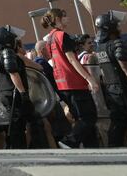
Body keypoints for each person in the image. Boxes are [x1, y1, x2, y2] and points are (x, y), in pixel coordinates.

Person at [40, 8, 99, 147]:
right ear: (58, 19)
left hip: (63, 84)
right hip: (74, 82)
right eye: (65, 16)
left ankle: (92, 149)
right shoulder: (62, 36)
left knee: (81, 118)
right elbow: (72, 60)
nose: (68, 18)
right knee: (88, 116)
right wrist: (89, 78)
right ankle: (68, 142)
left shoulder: (50, 38)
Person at [93, 11, 127, 147]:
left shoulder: (100, 48)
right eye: (116, 25)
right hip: (124, 87)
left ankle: (117, 147)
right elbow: (125, 66)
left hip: (111, 89)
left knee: (120, 121)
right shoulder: (116, 44)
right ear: (110, 28)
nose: (119, 27)